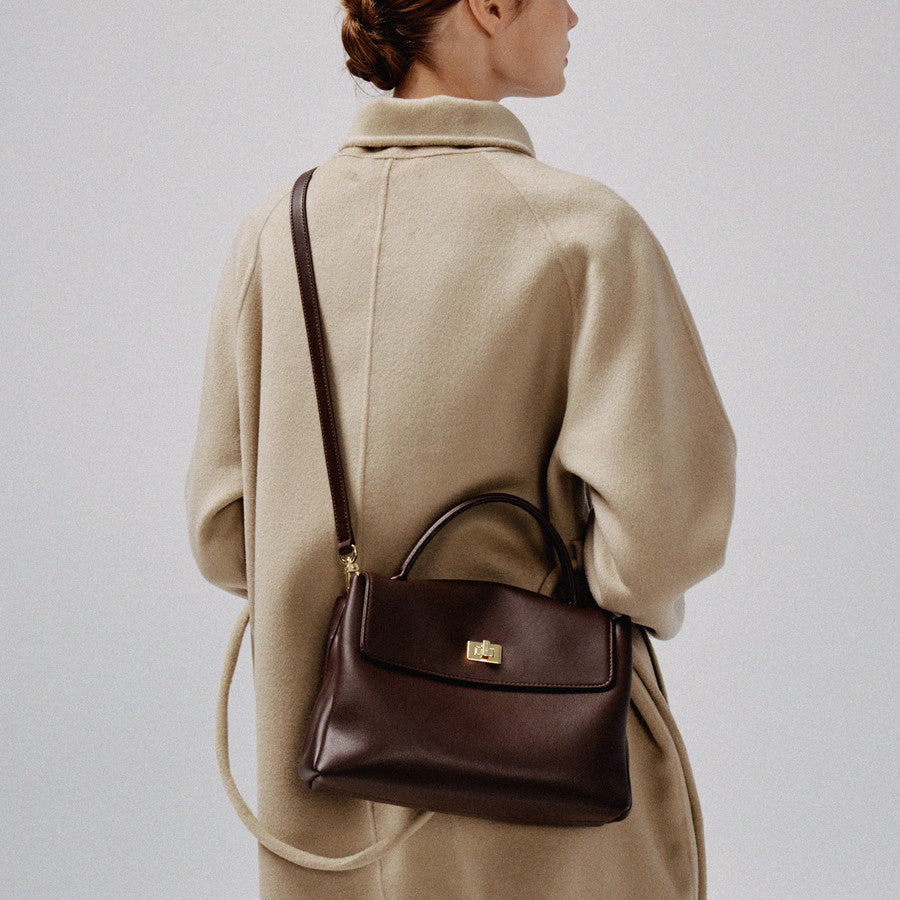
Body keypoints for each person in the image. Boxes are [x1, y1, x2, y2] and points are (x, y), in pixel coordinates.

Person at [184, 0, 737, 897]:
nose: (574, 14)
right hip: (543, 787)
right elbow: (663, 536)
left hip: (333, 804)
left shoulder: (276, 233)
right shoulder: (587, 233)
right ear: (489, 5)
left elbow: (221, 533)